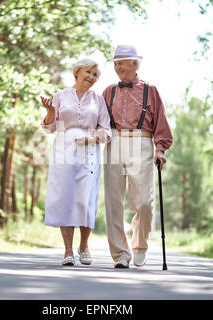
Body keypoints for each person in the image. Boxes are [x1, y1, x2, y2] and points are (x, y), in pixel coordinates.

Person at [102, 45, 173, 268]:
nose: (117, 67)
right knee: (113, 202)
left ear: (135, 63)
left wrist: (160, 150)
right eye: (115, 63)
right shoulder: (108, 91)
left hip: (141, 142)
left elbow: (161, 122)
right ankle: (120, 254)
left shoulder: (150, 90)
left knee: (143, 202)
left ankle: (140, 245)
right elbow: (98, 121)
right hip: (114, 142)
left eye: (121, 62)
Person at [40, 59, 112, 266]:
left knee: (86, 197)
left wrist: (91, 139)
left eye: (95, 75)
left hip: (89, 150)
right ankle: (68, 250)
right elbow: (51, 128)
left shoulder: (97, 100)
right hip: (64, 149)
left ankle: (84, 245)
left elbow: (106, 130)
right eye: (88, 72)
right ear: (77, 72)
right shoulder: (61, 96)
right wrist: (51, 111)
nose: (91, 77)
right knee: (66, 197)